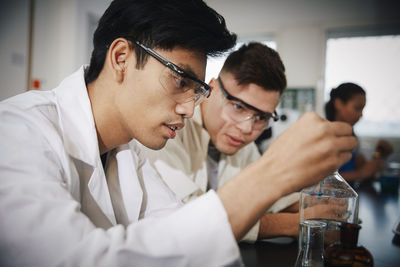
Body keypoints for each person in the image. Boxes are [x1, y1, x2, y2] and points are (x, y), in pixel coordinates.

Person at [0, 0, 357, 266]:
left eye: (196, 89)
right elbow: (75, 259)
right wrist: (274, 173)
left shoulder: (129, 151)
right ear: (122, 57)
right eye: (180, 80)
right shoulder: (16, 131)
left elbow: (186, 235)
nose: (191, 107)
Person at [137, 42, 303, 241]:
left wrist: (318, 206)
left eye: (261, 117)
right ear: (212, 89)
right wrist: (295, 224)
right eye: (238, 107)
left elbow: (275, 199)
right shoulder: (172, 127)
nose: (247, 129)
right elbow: (187, 219)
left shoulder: (241, 143)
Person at [325, 82, 393, 183]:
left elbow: (365, 169)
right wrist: (360, 174)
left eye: (362, 109)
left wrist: (379, 154)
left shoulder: (352, 138)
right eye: (357, 108)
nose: (361, 114)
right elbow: (318, 178)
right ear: (338, 104)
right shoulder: (323, 135)